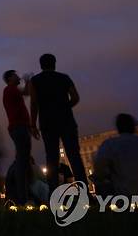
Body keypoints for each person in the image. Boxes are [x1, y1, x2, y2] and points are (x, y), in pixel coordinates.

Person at [29, 53, 88, 193]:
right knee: (74, 156)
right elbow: (75, 97)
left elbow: (34, 103)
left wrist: (32, 124)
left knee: (51, 158)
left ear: (41, 65)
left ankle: (53, 193)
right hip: (67, 120)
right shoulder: (64, 78)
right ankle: (84, 193)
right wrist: (65, 107)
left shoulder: (35, 80)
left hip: (47, 122)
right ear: (54, 64)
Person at [2, 70, 32, 205]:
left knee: (23, 161)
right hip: (19, 127)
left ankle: (22, 197)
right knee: (21, 163)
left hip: (21, 127)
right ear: (10, 78)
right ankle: (22, 198)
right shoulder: (10, 89)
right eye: (15, 75)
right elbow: (27, 92)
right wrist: (27, 81)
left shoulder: (11, 90)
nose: (18, 76)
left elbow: (25, 93)